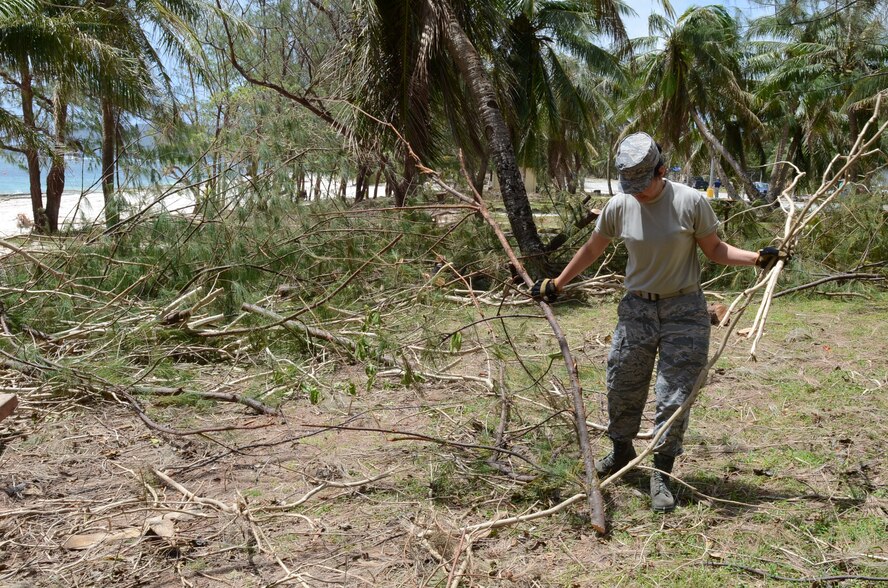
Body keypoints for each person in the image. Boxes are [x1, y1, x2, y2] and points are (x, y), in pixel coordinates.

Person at [532, 132, 787, 512]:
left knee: (675, 394)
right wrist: (557, 282)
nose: (637, 192)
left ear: (661, 170)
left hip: (684, 311)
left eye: (643, 184)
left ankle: (661, 472)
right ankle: (621, 452)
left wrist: (757, 258)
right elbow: (592, 249)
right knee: (622, 382)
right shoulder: (620, 205)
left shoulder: (690, 202)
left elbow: (715, 250)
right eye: (630, 186)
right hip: (636, 309)